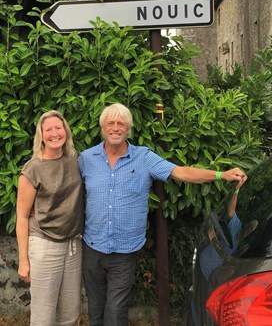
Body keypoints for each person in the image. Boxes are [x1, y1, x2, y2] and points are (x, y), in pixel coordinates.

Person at [78, 102, 247, 326]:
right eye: (111, 123)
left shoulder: (144, 157)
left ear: (128, 129)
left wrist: (220, 174)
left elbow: (182, 172)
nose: (116, 127)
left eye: (122, 123)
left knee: (115, 312)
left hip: (124, 252)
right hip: (92, 249)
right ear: (102, 128)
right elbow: (66, 190)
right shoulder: (86, 159)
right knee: (95, 309)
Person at [16, 110, 84, 326]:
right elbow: (22, 216)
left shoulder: (76, 160)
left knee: (70, 315)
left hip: (73, 245)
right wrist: (24, 261)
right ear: (41, 136)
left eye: (58, 127)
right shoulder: (33, 169)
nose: (55, 133)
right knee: (43, 318)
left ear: (66, 131)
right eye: (48, 130)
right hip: (45, 246)